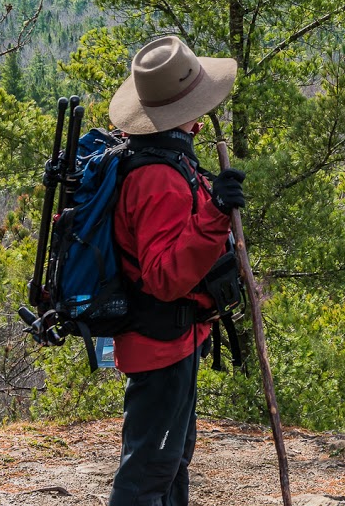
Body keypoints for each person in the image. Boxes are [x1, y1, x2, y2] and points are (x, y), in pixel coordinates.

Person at [106, 34, 247, 506]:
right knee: (147, 474)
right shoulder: (157, 178)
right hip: (160, 346)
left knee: (168, 464)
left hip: (175, 341)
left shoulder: (166, 156)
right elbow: (165, 278)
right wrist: (214, 215)